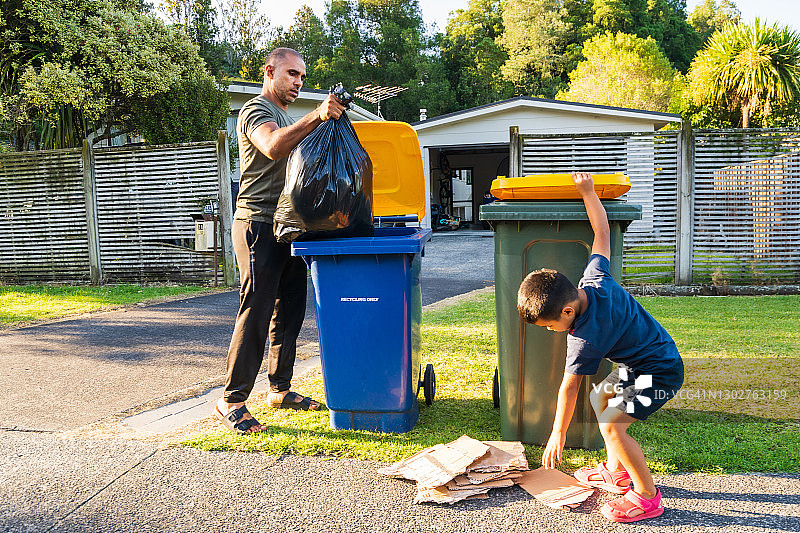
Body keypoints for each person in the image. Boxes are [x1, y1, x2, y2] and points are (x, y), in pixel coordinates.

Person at [516, 172, 684, 523]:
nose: (551, 331)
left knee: (612, 424)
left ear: (566, 311)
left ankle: (647, 495)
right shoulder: (594, 279)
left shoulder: (584, 336)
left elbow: (570, 385)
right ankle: (616, 471)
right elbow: (602, 234)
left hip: (661, 371)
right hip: (652, 360)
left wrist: (557, 432)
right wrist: (587, 192)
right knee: (604, 400)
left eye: (550, 325)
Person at [215, 47, 346, 434]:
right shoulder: (256, 110)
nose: (298, 82)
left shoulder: (287, 116)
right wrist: (317, 115)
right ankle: (232, 399)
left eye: (302, 77)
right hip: (257, 224)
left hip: (288, 226)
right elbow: (272, 145)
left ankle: (280, 388)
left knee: (289, 311)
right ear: (270, 71)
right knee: (256, 309)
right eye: (292, 74)